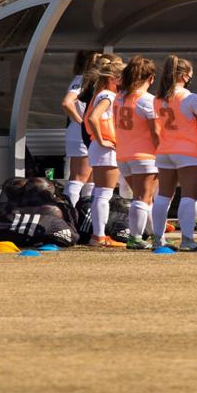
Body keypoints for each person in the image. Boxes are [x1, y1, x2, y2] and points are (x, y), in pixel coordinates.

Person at [150, 55, 197, 251]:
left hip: (165, 150)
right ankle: (187, 240)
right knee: (189, 195)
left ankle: (157, 238)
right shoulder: (190, 97)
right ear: (185, 75)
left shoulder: (158, 98)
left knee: (163, 196)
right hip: (188, 151)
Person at [112, 56, 161, 249]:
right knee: (144, 197)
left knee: (142, 197)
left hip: (124, 154)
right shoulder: (148, 100)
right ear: (150, 77)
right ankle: (135, 237)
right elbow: (155, 131)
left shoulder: (119, 97)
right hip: (144, 155)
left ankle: (157, 236)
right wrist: (162, 152)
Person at [81, 54, 126, 248]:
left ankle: (99, 235)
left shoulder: (101, 93)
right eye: (122, 77)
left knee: (101, 192)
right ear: (112, 78)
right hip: (105, 147)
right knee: (104, 193)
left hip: (100, 146)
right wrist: (102, 139)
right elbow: (92, 117)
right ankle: (99, 236)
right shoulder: (107, 95)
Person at [62, 49, 101, 212]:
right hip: (80, 134)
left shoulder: (91, 82)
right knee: (78, 178)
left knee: (91, 180)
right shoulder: (81, 80)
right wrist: (81, 121)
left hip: (87, 134)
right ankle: (69, 215)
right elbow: (67, 103)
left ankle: (85, 216)